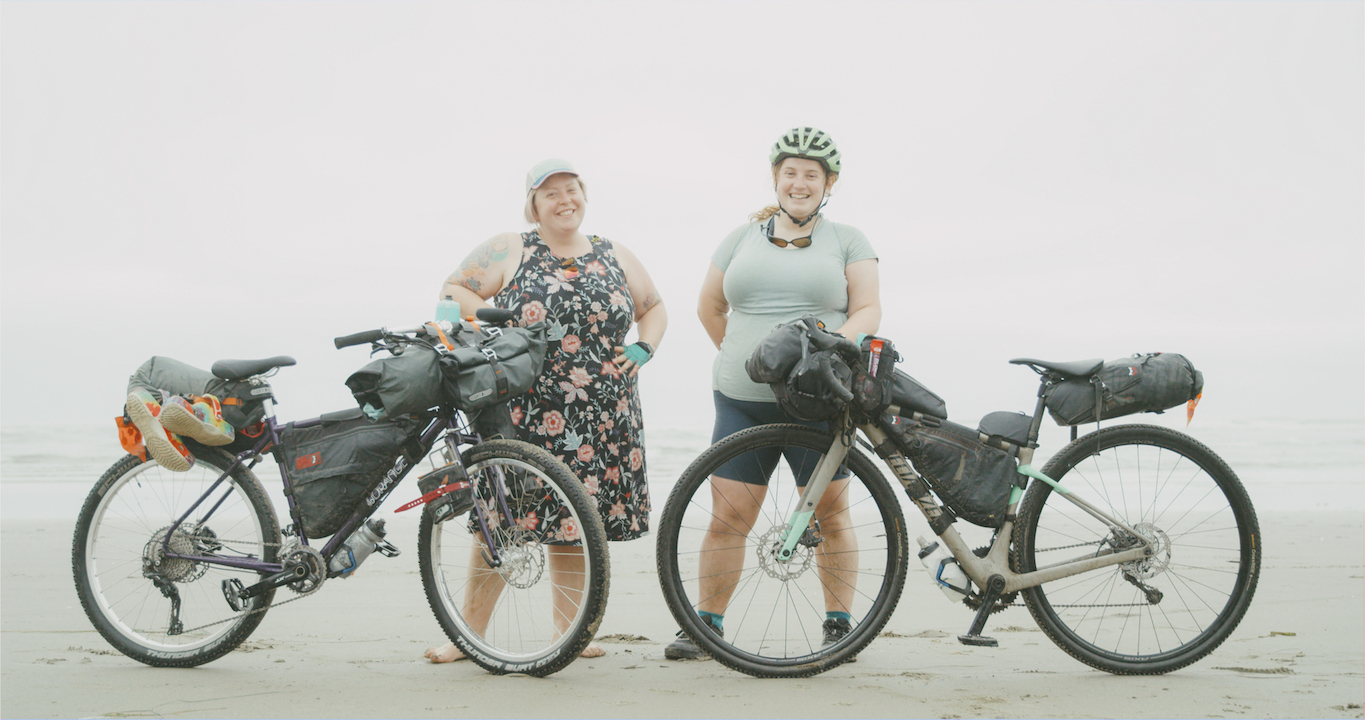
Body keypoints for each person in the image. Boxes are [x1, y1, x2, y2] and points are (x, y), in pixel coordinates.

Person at [424, 158, 667, 662]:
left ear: (584, 195)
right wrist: (499, 327)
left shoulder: (613, 252)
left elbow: (654, 307)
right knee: (501, 517)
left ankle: (570, 632)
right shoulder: (512, 247)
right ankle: (468, 636)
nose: (564, 200)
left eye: (571, 189)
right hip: (526, 407)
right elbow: (454, 290)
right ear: (532, 203)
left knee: (576, 524)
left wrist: (645, 347)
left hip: (603, 410)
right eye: (550, 192)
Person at [665, 127, 881, 660]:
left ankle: (839, 624)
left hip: (818, 403)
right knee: (728, 518)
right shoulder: (739, 238)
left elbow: (868, 309)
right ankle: (706, 624)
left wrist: (830, 352)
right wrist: (749, 360)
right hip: (741, 400)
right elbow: (709, 308)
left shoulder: (848, 239)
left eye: (812, 174)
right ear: (776, 178)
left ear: (828, 183)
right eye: (791, 173)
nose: (800, 182)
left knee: (830, 516)